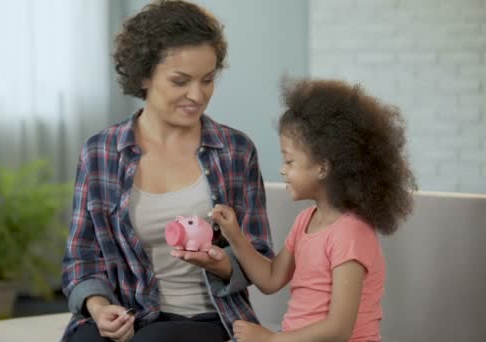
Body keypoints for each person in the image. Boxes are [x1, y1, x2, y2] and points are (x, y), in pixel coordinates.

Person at [61, 1, 274, 341]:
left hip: (206, 318)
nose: (197, 94)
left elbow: (260, 255)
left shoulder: (235, 151)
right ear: (144, 75)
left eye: (207, 80)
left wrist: (219, 262)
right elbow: (81, 257)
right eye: (180, 81)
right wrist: (101, 309)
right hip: (126, 311)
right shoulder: (99, 152)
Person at [211, 79, 417, 342]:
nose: (283, 169)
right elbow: (271, 279)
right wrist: (235, 237)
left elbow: (338, 329)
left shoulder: (350, 234)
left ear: (322, 167)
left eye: (290, 161)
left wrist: (270, 339)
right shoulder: (305, 221)